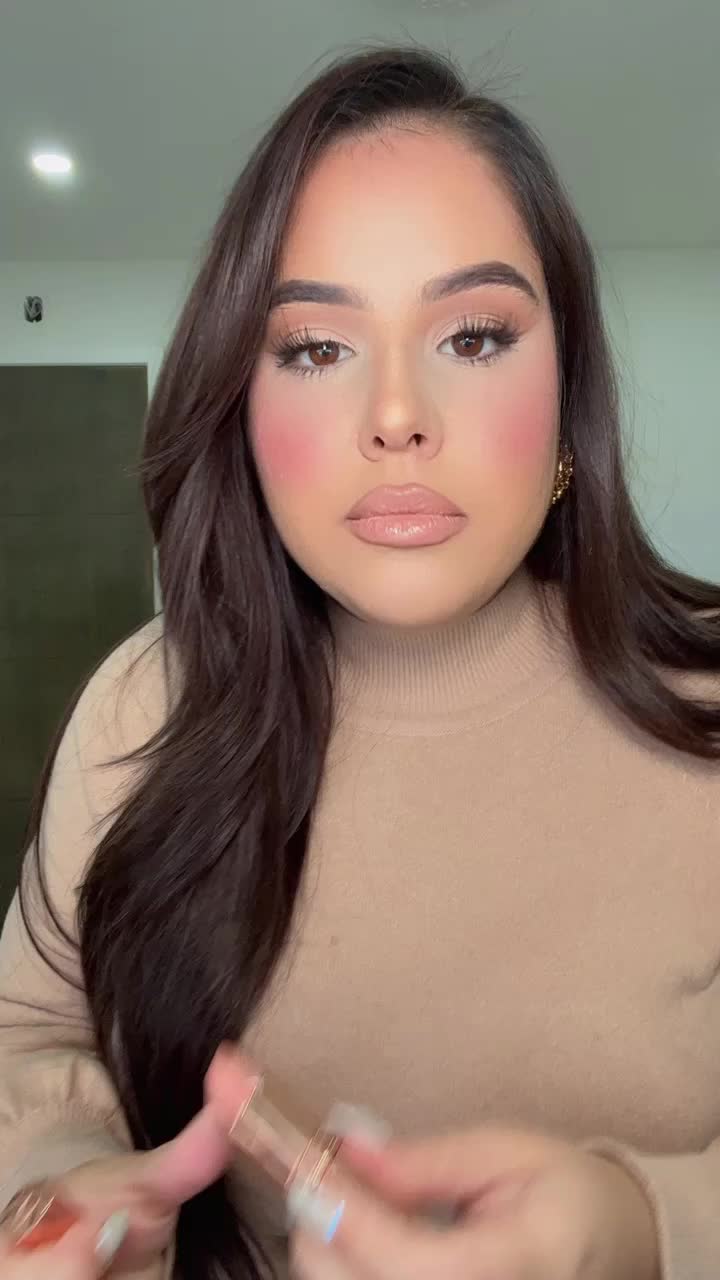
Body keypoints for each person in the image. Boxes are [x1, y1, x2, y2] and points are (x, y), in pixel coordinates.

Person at [0, 42, 718, 1280]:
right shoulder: (141, 707)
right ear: (241, 404)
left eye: (474, 336)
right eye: (316, 349)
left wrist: (641, 1227)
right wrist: (63, 1182)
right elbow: (31, 1031)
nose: (395, 416)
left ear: (571, 394)